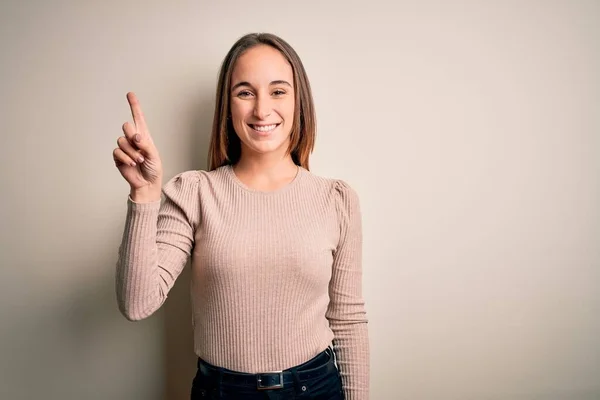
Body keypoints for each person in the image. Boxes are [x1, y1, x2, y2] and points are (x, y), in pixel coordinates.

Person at [113, 32, 369, 400]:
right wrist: (144, 193)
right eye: (245, 92)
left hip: (316, 388)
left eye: (278, 91)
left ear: (300, 102)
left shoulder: (337, 200)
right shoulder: (194, 193)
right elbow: (137, 304)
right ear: (227, 105)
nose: (262, 110)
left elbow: (348, 320)